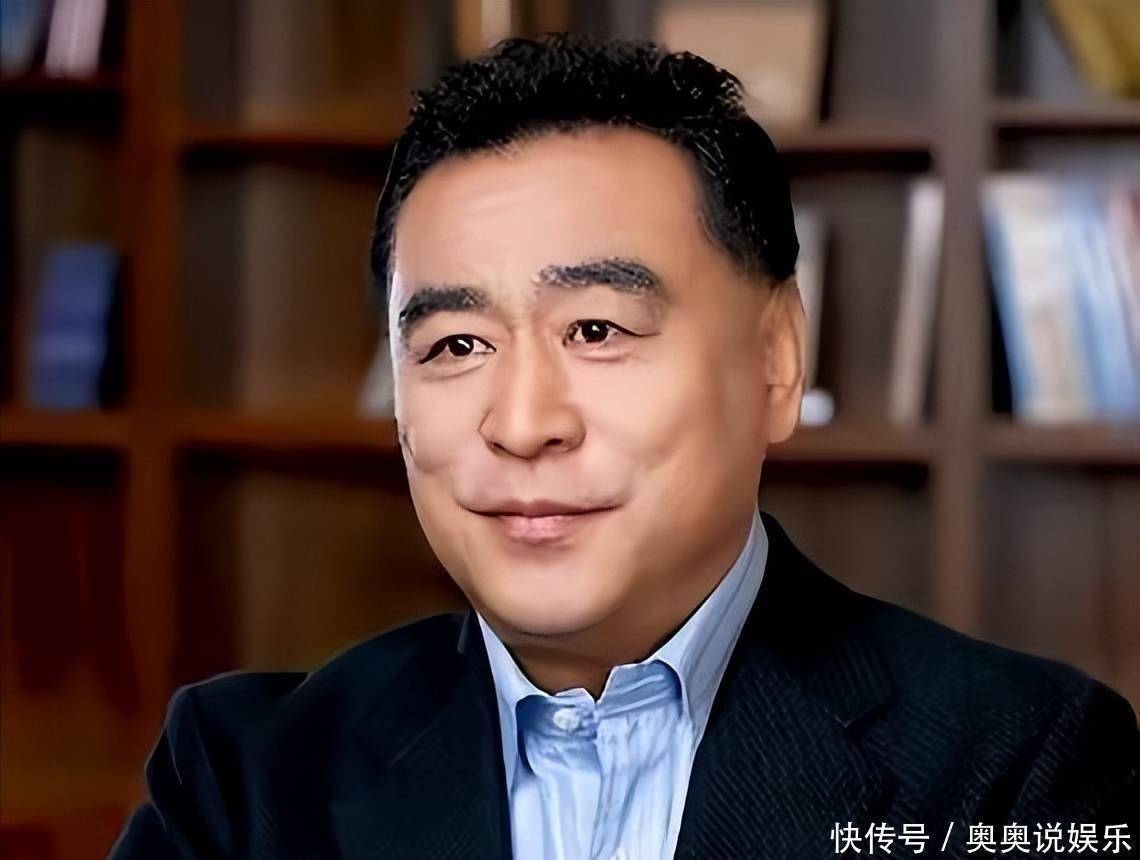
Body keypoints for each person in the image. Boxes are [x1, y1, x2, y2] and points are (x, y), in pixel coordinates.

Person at [110, 34, 1138, 860]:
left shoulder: (1016, 764)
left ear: (776, 360)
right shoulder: (246, 778)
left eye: (596, 329)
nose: (523, 423)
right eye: (456, 344)